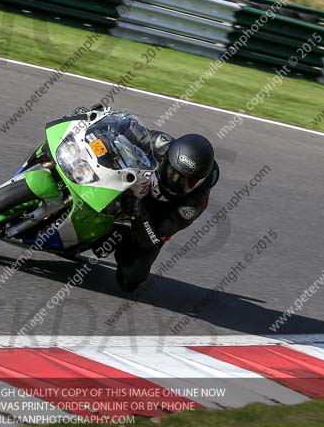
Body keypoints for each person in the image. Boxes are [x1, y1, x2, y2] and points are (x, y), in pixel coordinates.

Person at [81, 107, 220, 292]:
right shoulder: (161, 144)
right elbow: (124, 128)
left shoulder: (192, 205)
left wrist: (141, 215)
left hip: (151, 220)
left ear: (199, 181)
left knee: (130, 280)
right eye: (173, 172)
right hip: (128, 185)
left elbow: (154, 238)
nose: (176, 180)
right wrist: (95, 119)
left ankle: (113, 236)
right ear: (169, 158)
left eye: (188, 180)